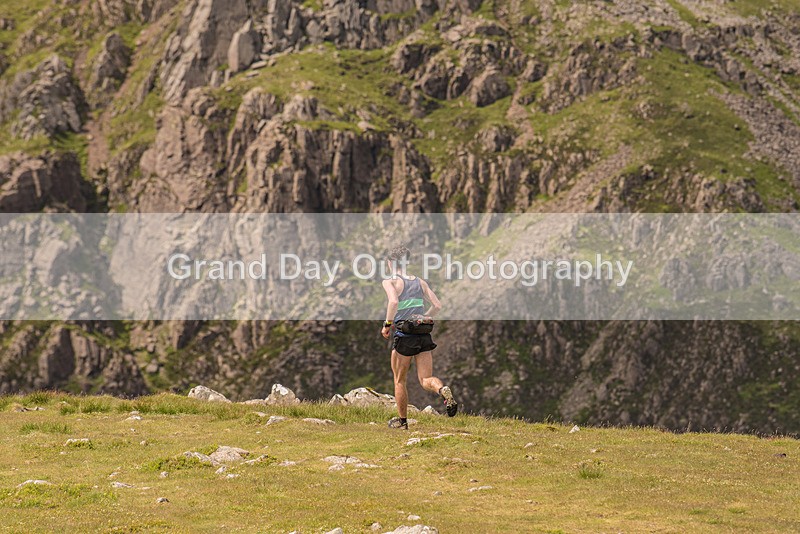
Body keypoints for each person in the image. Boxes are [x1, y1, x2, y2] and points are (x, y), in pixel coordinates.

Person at [380, 245, 458, 430]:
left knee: (400, 380)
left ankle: (402, 422)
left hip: (404, 335)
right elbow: (437, 305)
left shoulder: (390, 282)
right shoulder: (420, 282)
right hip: (423, 335)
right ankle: (441, 390)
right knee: (425, 379)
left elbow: (393, 302)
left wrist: (387, 325)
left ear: (390, 263)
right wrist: (424, 317)